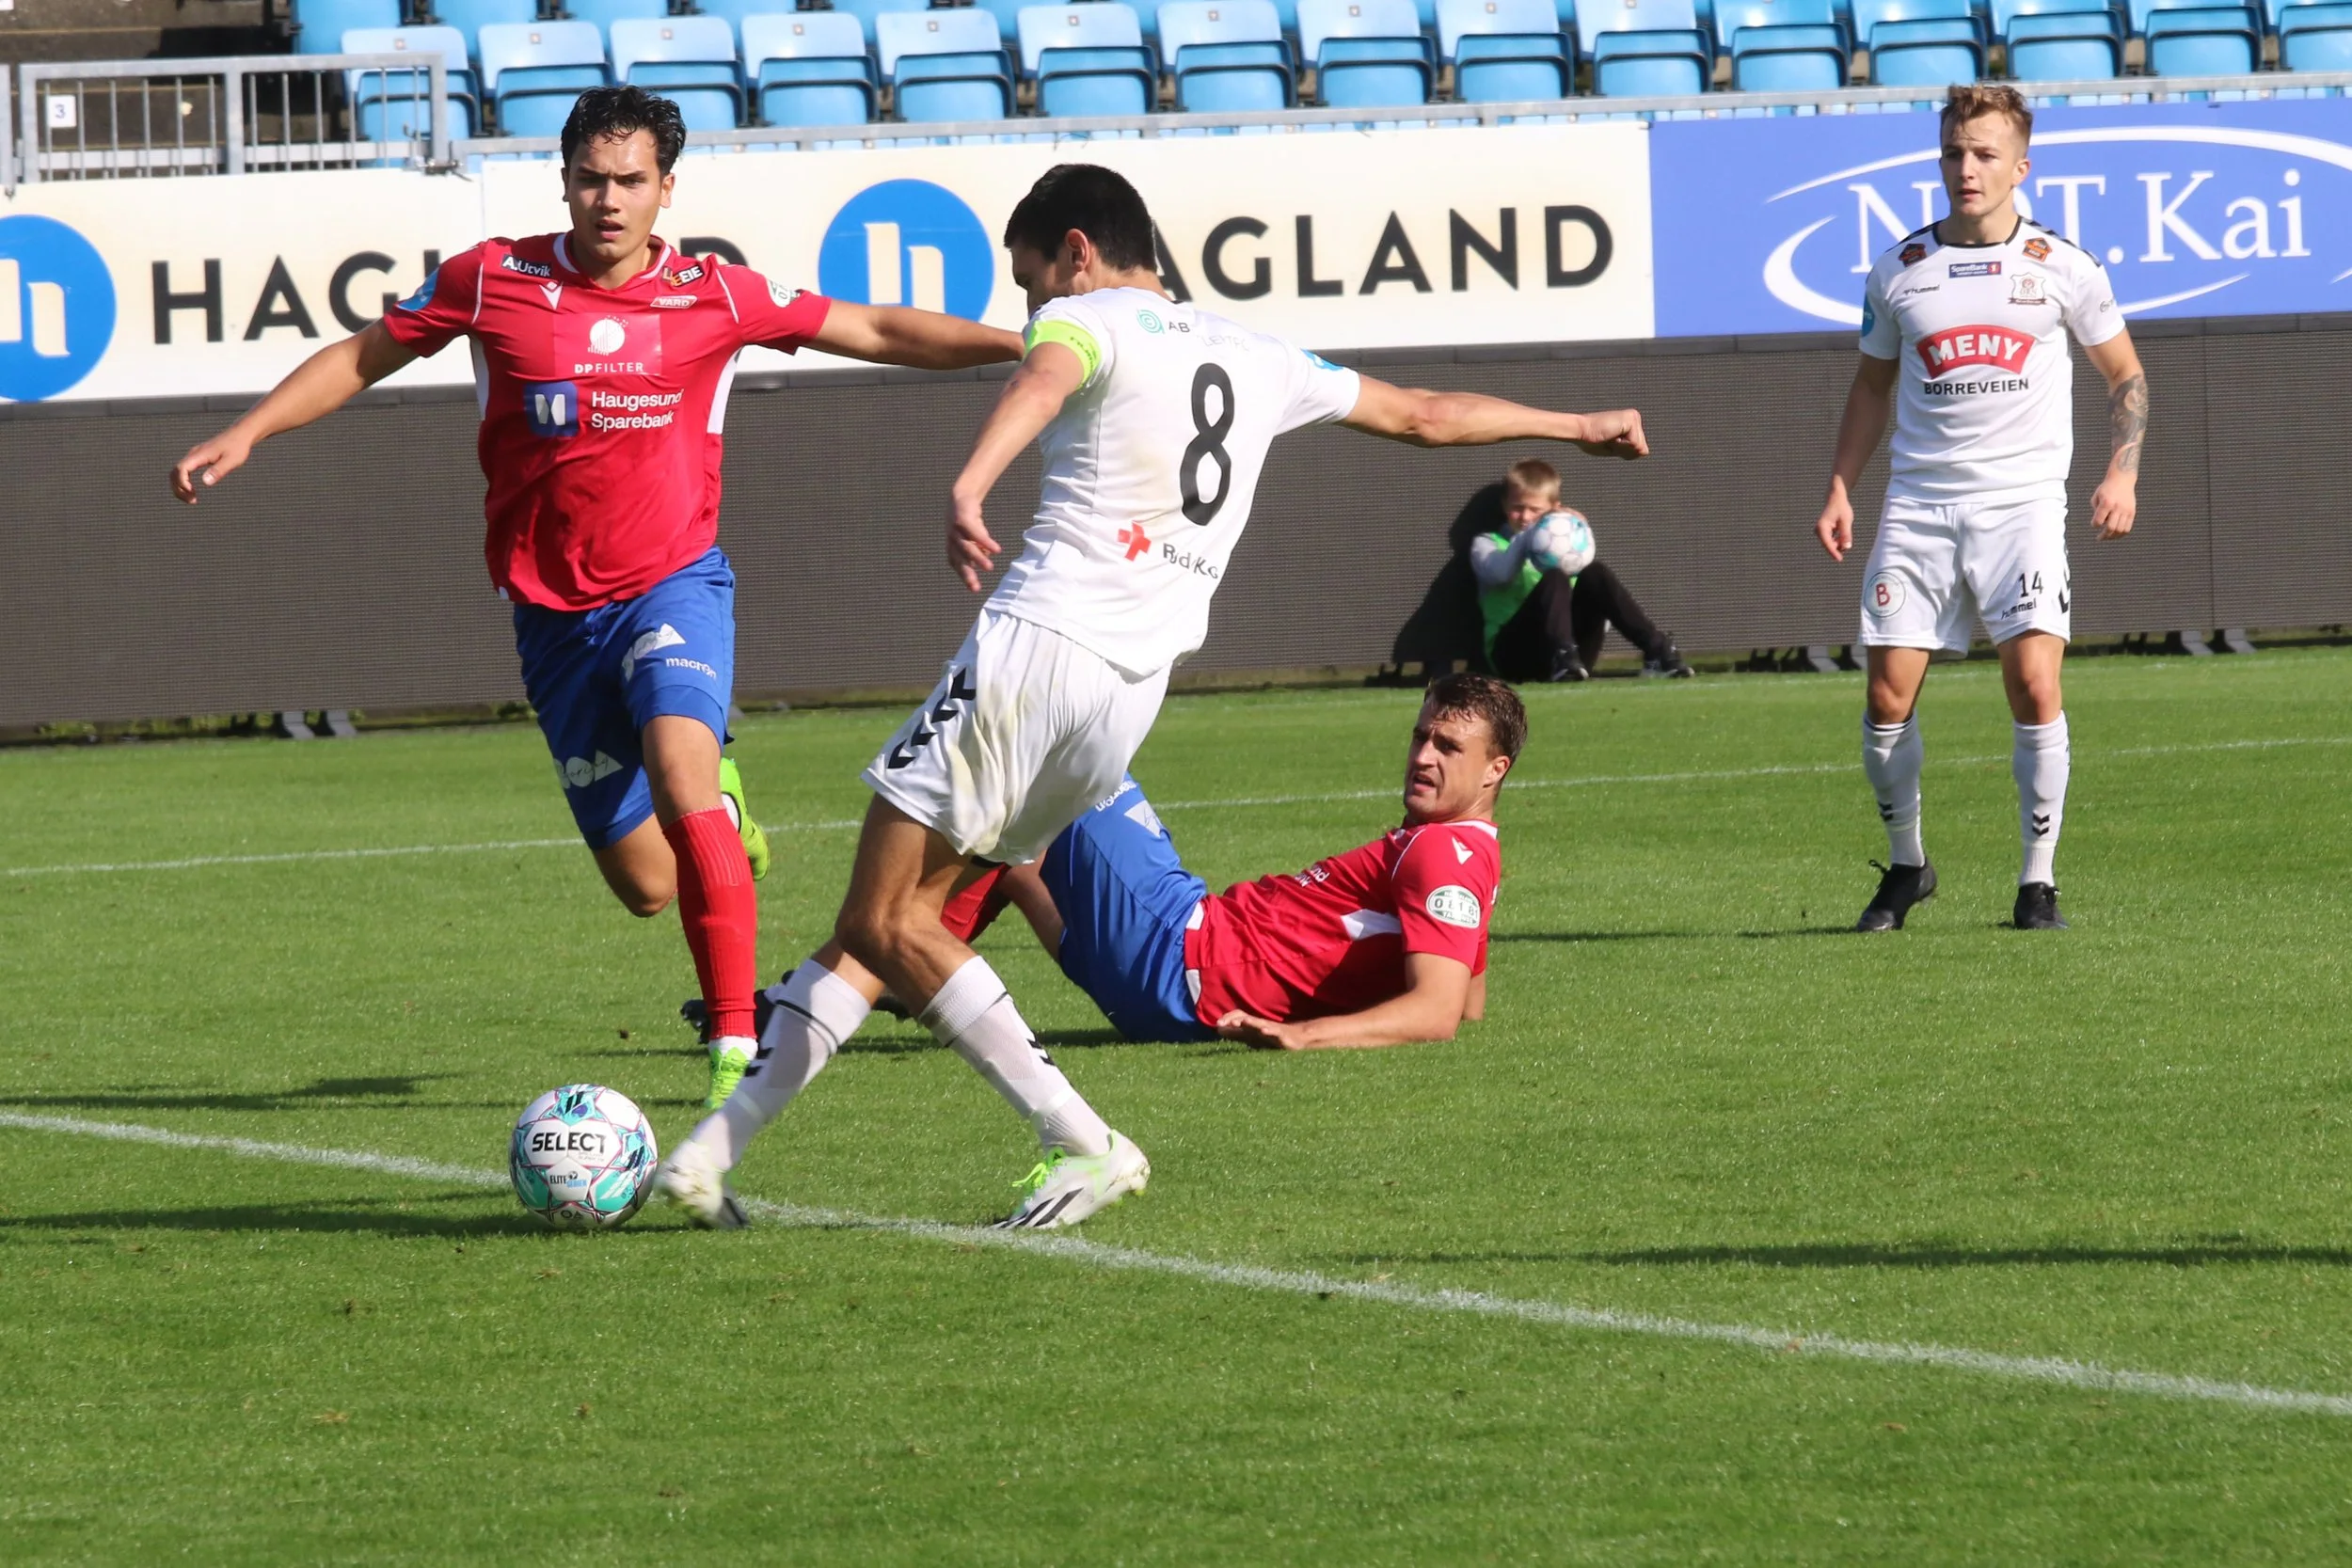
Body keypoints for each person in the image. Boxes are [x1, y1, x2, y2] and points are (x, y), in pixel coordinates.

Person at [651, 162, 1648, 1231]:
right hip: (1125, 698)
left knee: (884, 914)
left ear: (1078, 251)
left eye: (1034, 279)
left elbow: (1038, 377)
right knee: (893, 920)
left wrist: (971, 479)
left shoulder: (1093, 322)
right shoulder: (1259, 354)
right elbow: (1423, 412)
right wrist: (1578, 423)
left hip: (1034, 648)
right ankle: (707, 1158)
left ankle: (1082, 1138)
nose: (1034, 307)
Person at [167, 87, 1024, 1105]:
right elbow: (363, 354)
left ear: (667, 189)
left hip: (673, 582)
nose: (608, 200)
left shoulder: (718, 292)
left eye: (630, 181)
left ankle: (734, 1048)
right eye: (589, 178)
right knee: (649, 885)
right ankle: (724, 811)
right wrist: (250, 429)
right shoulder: (494, 279)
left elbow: (875, 327)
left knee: (680, 770)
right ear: (564, 179)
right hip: (551, 615)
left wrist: (1026, 349)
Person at [1814, 84, 2146, 933]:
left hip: (2022, 506)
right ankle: (1907, 867)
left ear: (2020, 165)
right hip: (1919, 504)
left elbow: (2127, 376)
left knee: (2035, 686)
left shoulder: (2065, 267)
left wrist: (2122, 472)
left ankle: (2038, 884)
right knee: (1887, 698)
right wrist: (1842, 484)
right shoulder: (1899, 269)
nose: (1969, 168)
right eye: (1956, 153)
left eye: (1986, 153)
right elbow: (1870, 386)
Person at [937, 672, 1520, 1051]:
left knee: (1064, 741)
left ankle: (906, 951)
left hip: (1177, 950)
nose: (1423, 756)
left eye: (1448, 747)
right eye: (1421, 737)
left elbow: (1440, 1011)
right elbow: (1470, 1002)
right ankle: (922, 956)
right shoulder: (1472, 852)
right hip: (1166, 989)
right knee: (1019, 853)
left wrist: (1305, 1033)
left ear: (1496, 769)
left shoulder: (1443, 851)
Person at [1470, 458, 1691, 682]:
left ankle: (1657, 651)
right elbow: (1499, 574)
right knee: (1555, 578)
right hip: (1514, 658)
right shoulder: (1487, 545)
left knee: (1595, 572)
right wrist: (1531, 536)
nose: (1526, 517)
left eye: (1535, 510)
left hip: (1575, 658)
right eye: (1518, 508)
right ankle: (1562, 655)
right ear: (1505, 505)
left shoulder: (1566, 549)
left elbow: (1599, 607)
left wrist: (1578, 535)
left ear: (1554, 510)